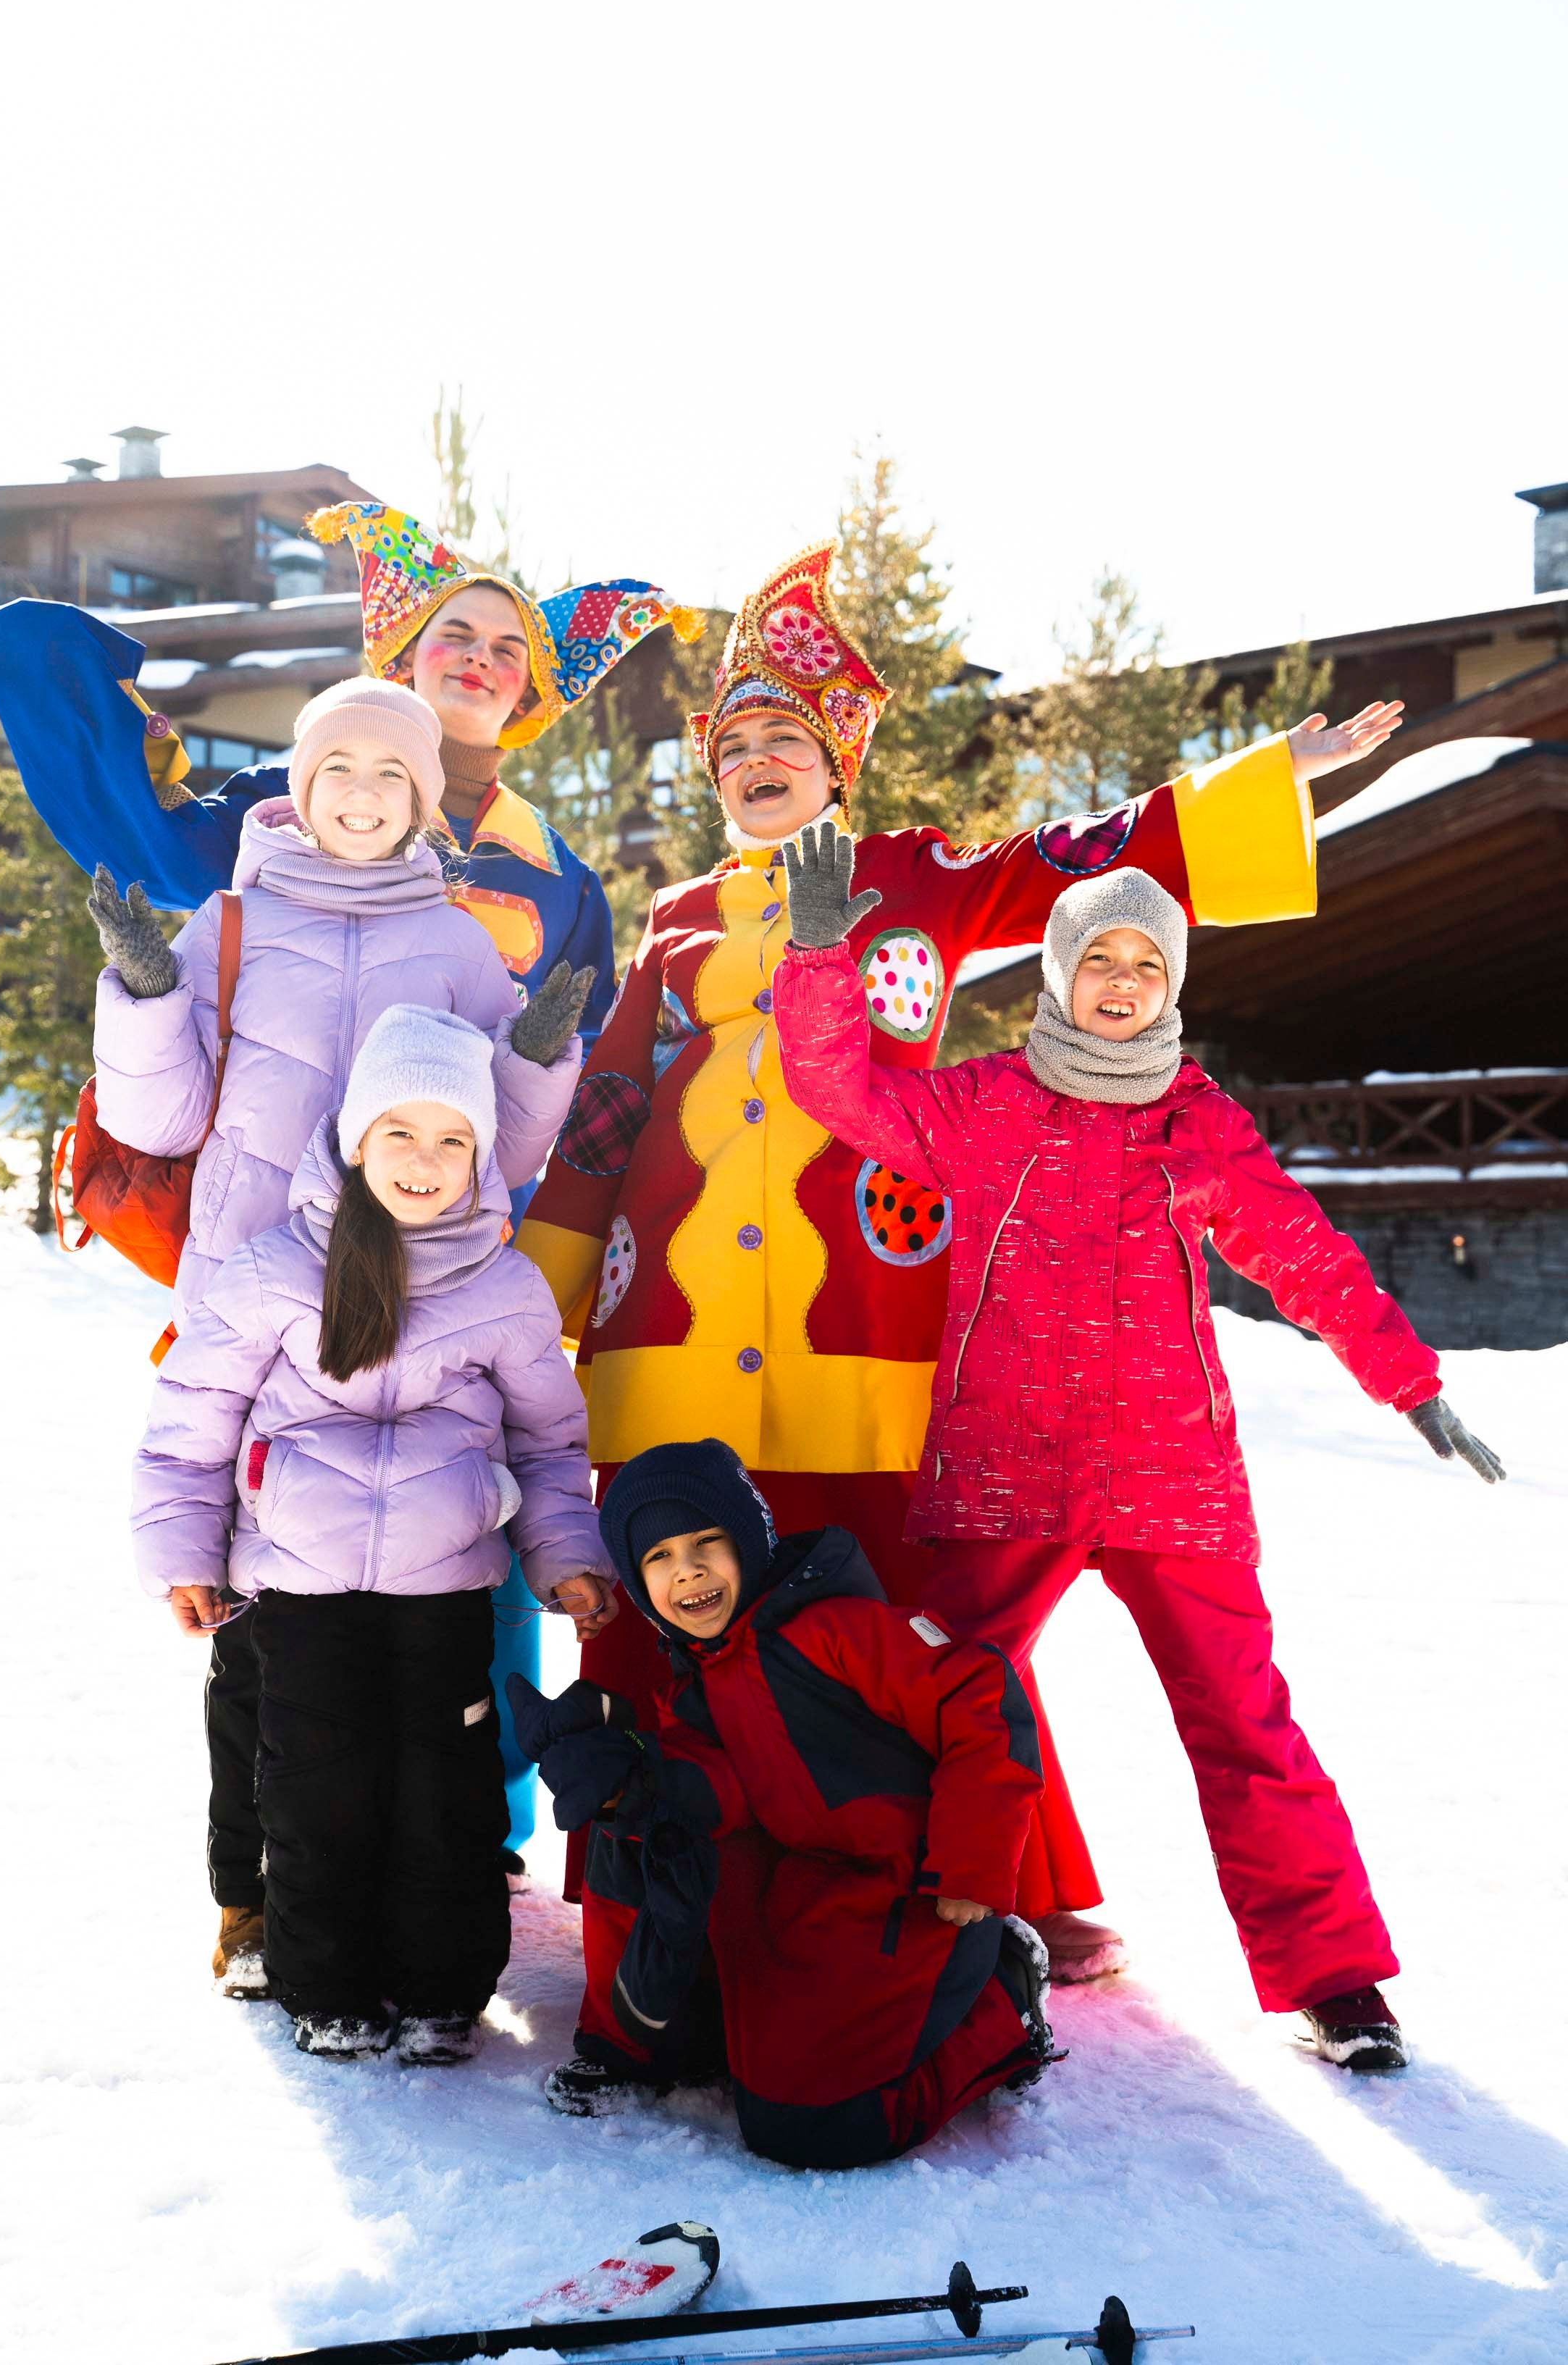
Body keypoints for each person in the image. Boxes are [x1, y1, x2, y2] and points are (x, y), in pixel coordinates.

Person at [515, 538, 1404, 1978]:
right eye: (730, 745)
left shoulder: (916, 880)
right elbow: (610, 1106)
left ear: (837, 763)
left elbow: (1083, 861)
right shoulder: (676, 920)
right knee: (663, 1605)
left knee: (909, 1624)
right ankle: (658, 1888)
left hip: (870, 1320)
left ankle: (1005, 1880)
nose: (753, 762)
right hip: (669, 1325)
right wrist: (532, 1292)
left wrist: (1260, 784)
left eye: (783, 740)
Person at [0, 502, 700, 1867]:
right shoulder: (280, 816)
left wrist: (553, 1204)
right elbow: (155, 890)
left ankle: (469, 1835)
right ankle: (265, 1870)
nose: (478, 658)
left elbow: (553, 1105)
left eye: (508, 647)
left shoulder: (552, 882)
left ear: (533, 693)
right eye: (453, 632)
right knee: (267, 1577)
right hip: (268, 1266)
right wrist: (58, 681)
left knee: (462, 1531)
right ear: (397, 657)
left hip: (447, 1269)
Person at [773, 837, 1506, 2072]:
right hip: (1006, 1469)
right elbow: (838, 1091)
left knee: (1245, 1723)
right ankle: (912, 1952)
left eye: (1145, 965)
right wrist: (812, 956)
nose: (1121, 981)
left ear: (1170, 985)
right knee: (940, 1709)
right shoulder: (982, 1102)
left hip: (1172, 1477)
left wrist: (1407, 1382)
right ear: (1059, 972)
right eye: (1099, 958)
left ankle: (1335, 1982)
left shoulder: (1198, 1121)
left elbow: (1303, 1254)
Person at [89, 671, 589, 1995]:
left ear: (423, 799)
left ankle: (427, 1869)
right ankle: (254, 1896)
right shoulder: (229, 924)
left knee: (412, 1604)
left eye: (390, 777)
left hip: (422, 1303)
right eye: (338, 772)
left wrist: (537, 1062)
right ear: (302, 788)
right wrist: (147, 997)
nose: (362, 797)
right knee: (257, 1634)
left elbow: (495, 1149)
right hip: (258, 1289)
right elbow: (155, 1119)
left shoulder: (460, 945)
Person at [130, 1005, 615, 2061]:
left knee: (445, 1790)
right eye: (400, 1131)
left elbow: (547, 1440)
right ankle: (328, 1988)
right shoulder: (272, 1269)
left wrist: (567, 1556)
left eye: (452, 1139)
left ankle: (441, 1989)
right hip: (301, 1587)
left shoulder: (504, 1286)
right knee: (318, 1789)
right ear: (356, 1139)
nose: (424, 1160)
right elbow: (190, 1423)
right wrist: (185, 1556)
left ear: (480, 1156)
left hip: (444, 1587)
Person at [511, 1439, 1054, 2164]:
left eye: (706, 1542)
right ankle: (650, 2042)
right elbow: (725, 1792)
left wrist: (971, 1862)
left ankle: (1001, 2006)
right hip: (804, 1894)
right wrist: (628, 1777)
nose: (687, 1570)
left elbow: (981, 1697)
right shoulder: (697, 1680)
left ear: (750, 1539)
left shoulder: (839, 1629)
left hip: (906, 1898)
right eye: (660, 1557)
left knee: (812, 2127)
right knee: (640, 1823)